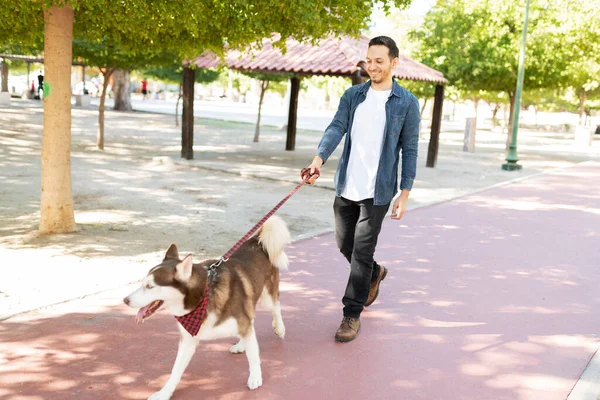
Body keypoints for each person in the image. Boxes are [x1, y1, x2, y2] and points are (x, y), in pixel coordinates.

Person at [303, 36, 420, 342]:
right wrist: (318, 159)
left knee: (362, 251)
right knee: (345, 245)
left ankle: (351, 314)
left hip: (378, 193)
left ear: (394, 63)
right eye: (369, 60)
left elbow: (410, 149)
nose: (372, 66)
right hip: (346, 186)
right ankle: (374, 272)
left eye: (379, 61)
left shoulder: (407, 103)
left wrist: (404, 192)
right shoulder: (353, 96)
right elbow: (335, 128)